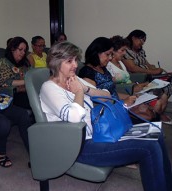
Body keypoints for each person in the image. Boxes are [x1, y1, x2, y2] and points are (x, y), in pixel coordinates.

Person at [40, 41, 172, 191]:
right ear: (56, 63)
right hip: (79, 146)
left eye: (76, 60)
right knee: (149, 147)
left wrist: (85, 89)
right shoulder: (49, 88)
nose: (75, 65)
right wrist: (79, 92)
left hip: (99, 134)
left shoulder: (75, 80)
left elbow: (106, 95)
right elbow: (75, 117)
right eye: (69, 61)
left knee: (155, 132)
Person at [107, 35, 171, 124]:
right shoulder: (108, 66)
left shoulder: (120, 62)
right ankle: (152, 122)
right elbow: (112, 84)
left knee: (163, 96)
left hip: (134, 88)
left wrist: (142, 84)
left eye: (125, 50)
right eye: (122, 50)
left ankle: (156, 119)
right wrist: (134, 86)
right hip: (127, 92)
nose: (125, 53)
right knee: (158, 103)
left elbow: (128, 77)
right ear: (113, 51)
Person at [0, 36, 31, 109]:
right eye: (20, 49)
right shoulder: (3, 62)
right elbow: (6, 82)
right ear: (12, 49)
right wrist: (27, 82)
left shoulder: (24, 63)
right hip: (12, 94)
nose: (23, 53)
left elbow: (30, 75)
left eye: (25, 50)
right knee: (33, 102)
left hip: (27, 91)